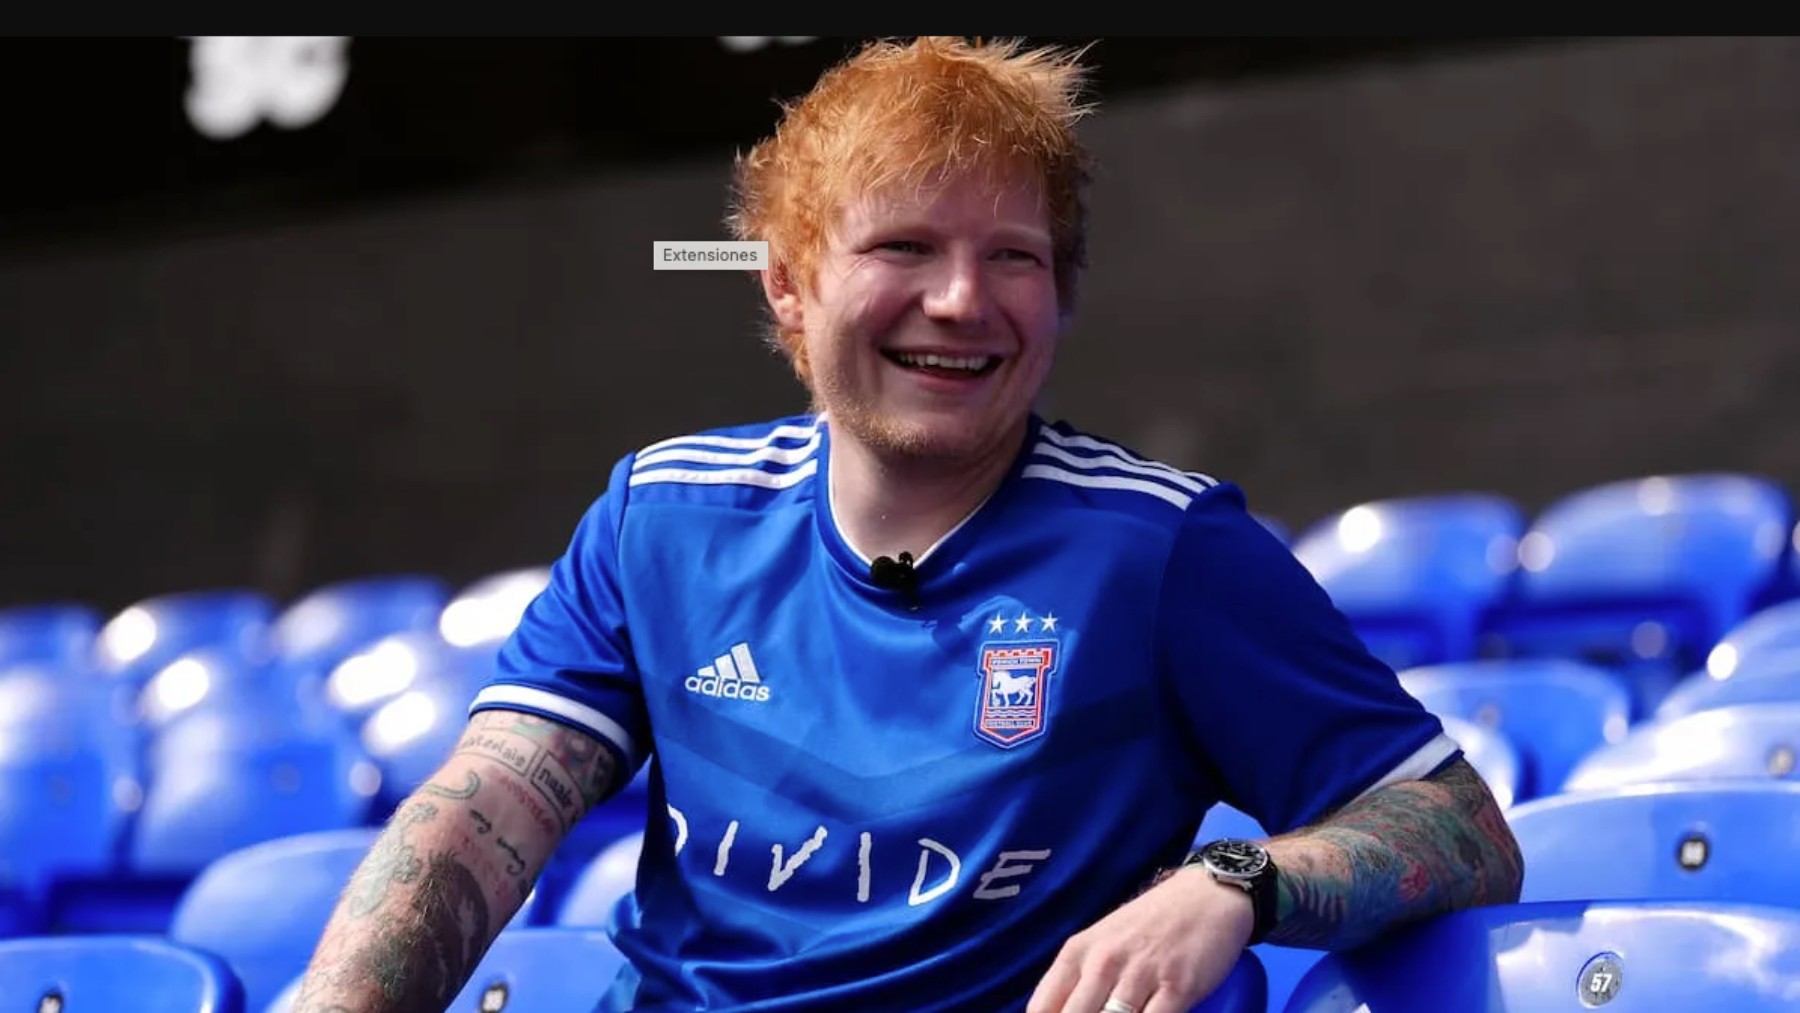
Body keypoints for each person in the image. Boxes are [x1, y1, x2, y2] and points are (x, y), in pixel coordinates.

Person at [291, 36, 1523, 1013]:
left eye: (1015, 257)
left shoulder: (1165, 552)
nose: (961, 300)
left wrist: (1239, 879)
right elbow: (482, 814)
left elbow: (1457, 825)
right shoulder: (657, 517)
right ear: (785, 279)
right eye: (904, 245)